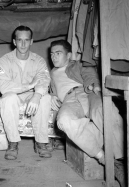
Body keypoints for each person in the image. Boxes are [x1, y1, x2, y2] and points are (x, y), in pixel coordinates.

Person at [49, 40, 125, 185]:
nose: (53, 57)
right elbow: (50, 89)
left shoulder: (77, 64)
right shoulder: (51, 73)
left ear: (69, 55)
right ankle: (109, 162)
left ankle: (123, 158)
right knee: (63, 121)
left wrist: (94, 86)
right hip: (69, 100)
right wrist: (52, 95)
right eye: (52, 54)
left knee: (104, 111)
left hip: (86, 92)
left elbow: (89, 73)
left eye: (58, 53)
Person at [0, 25, 52, 160]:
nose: (23, 44)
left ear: (31, 41)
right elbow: (4, 87)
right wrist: (29, 85)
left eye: (26, 40)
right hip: (13, 94)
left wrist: (37, 95)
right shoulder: (5, 60)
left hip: (31, 95)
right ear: (14, 41)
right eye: (19, 40)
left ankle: (40, 142)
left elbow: (44, 80)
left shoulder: (38, 60)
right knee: (8, 99)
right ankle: (13, 143)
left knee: (45, 98)